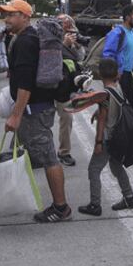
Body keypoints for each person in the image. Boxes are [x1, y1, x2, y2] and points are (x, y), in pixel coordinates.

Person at [0, 0, 72, 222]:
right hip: (33, 109)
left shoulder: (25, 42)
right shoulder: (29, 37)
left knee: (49, 158)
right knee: (16, 154)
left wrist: (15, 115)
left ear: (25, 16)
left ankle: (61, 208)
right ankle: (5, 197)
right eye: (5, 14)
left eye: (11, 14)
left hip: (34, 112)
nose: (6, 18)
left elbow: (25, 84)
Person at [77, 59, 133, 216]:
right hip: (120, 137)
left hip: (108, 138)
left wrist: (98, 142)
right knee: (116, 166)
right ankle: (129, 197)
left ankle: (95, 204)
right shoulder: (118, 88)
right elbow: (114, 108)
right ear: (116, 73)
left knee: (94, 169)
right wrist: (98, 112)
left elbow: (102, 121)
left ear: (99, 74)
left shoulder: (104, 95)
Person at [55, 14, 85, 167]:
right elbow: (50, 55)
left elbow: (80, 57)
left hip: (64, 87)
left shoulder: (72, 38)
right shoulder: (49, 36)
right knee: (40, 120)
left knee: (67, 118)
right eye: (63, 25)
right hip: (48, 85)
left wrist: (75, 45)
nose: (66, 29)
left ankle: (64, 152)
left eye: (69, 26)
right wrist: (63, 44)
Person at [101, 4, 133, 107]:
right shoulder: (117, 33)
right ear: (128, 18)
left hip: (128, 75)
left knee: (129, 108)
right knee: (118, 108)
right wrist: (114, 74)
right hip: (119, 76)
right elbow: (108, 55)